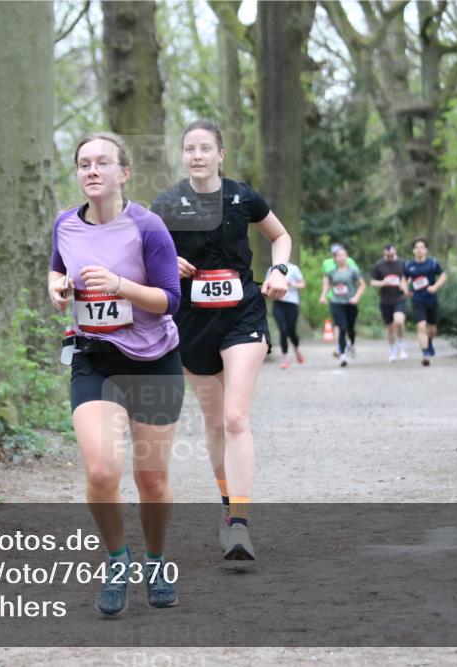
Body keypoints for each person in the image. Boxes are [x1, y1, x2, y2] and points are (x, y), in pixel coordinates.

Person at [48, 132, 183, 615]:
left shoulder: (148, 227)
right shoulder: (65, 224)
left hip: (153, 361)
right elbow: (57, 268)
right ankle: (117, 559)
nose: (91, 170)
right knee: (103, 470)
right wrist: (56, 287)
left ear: (123, 173)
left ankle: (155, 560)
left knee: (152, 480)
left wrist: (121, 285)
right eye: (84, 163)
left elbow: (170, 299)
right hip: (94, 358)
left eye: (102, 162)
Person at [151, 119, 290, 562]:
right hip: (192, 323)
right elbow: (143, 256)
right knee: (214, 424)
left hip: (242, 315)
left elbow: (280, 236)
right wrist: (167, 262)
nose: (197, 155)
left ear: (220, 154)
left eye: (205, 148)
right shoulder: (167, 204)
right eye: (190, 148)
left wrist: (279, 270)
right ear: (183, 156)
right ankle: (229, 506)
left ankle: (240, 524)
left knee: (234, 418)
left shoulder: (242, 196)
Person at [404, 237, 447, 366]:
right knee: (421, 326)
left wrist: (435, 287)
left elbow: (443, 275)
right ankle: (425, 354)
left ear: (426, 250)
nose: (419, 250)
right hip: (417, 300)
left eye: (422, 247)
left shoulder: (432, 263)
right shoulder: (409, 265)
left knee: (432, 329)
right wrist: (405, 289)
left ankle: (429, 341)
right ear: (413, 250)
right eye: (416, 247)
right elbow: (403, 279)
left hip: (431, 299)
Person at [319, 248, 365, 367]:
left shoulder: (353, 271)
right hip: (336, 302)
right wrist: (323, 296)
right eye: (338, 255)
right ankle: (343, 354)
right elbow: (327, 285)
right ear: (335, 258)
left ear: (347, 257)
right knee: (341, 327)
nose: (341, 257)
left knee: (350, 328)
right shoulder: (331, 272)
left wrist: (356, 297)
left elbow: (362, 285)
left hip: (350, 302)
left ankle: (352, 344)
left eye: (343, 255)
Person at [370, 244, 409, 362]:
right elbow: (372, 282)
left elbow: (409, 277)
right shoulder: (379, 265)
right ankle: (393, 350)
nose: (390, 257)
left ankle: (401, 344)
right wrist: (383, 282)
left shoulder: (402, 263)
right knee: (390, 328)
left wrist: (404, 285)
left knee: (399, 321)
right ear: (384, 254)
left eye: (392, 255)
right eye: (388, 255)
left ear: (395, 252)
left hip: (399, 297)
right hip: (385, 300)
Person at [265, 262, 306, 368]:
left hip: (292, 304)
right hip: (278, 304)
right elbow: (266, 287)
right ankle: (285, 359)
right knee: (283, 330)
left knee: (291, 331)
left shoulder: (294, 268)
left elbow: (302, 284)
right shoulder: (272, 269)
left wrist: (291, 284)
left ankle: (297, 350)